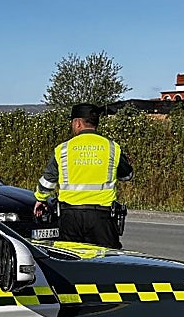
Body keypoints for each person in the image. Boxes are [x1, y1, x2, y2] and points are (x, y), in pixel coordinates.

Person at [32, 103, 133, 249]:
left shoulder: (63, 149)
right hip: (102, 217)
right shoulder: (112, 147)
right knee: (105, 258)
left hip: (70, 217)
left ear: (78, 123)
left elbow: (48, 181)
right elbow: (127, 175)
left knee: (70, 257)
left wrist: (40, 199)